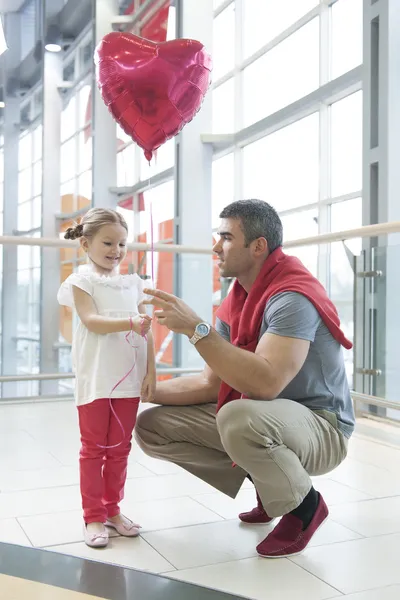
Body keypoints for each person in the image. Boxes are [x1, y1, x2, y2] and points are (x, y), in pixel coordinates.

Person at [135, 199, 355, 559]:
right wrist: (144, 391)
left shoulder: (292, 296)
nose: (215, 247)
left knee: (238, 417)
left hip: (322, 426)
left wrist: (196, 329)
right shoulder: (236, 300)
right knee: (153, 426)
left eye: (225, 237)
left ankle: (305, 507)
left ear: (258, 246)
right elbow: (210, 384)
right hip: (270, 419)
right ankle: (273, 488)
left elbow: (266, 382)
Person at [57, 208, 155, 548]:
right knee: (93, 449)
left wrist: (150, 373)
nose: (116, 250)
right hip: (96, 379)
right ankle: (93, 516)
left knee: (120, 449)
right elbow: (92, 320)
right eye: (108, 242)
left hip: (128, 380)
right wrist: (129, 322)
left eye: (122, 244)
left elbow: (149, 332)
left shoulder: (135, 284)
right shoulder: (80, 282)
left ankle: (113, 511)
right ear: (86, 243)